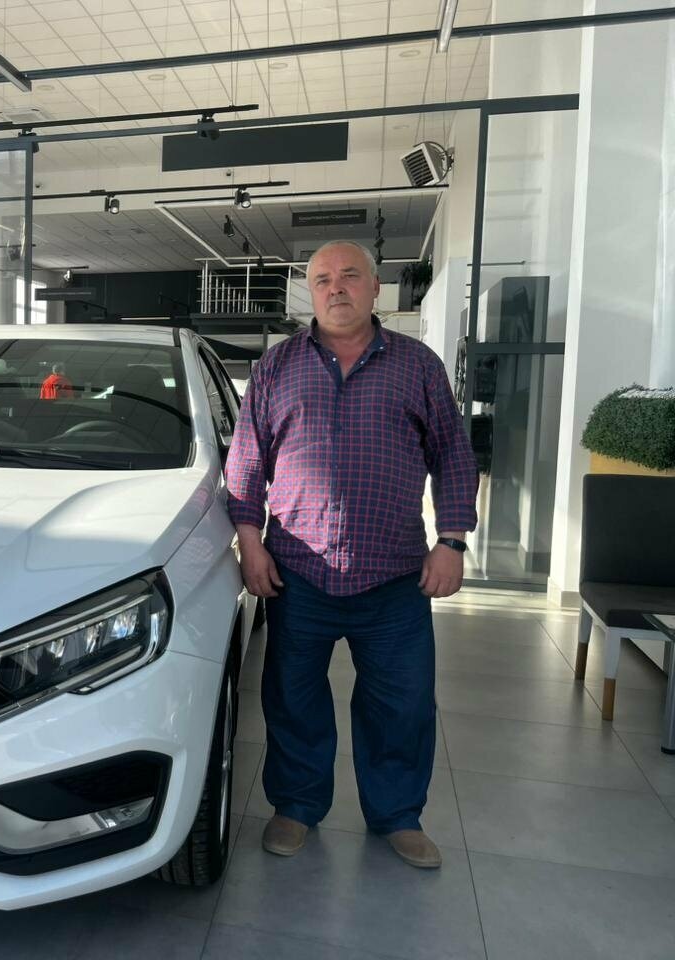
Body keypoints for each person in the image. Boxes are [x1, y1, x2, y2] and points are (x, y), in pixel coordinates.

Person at [225, 240, 478, 870]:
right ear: (309, 292)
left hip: (394, 577)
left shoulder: (418, 366)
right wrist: (249, 542)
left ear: (374, 287)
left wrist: (451, 541)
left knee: (402, 704)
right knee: (293, 698)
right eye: (322, 279)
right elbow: (247, 459)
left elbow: (453, 454)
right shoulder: (277, 367)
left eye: (349, 276)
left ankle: (397, 816)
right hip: (298, 573)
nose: (335, 288)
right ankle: (296, 806)